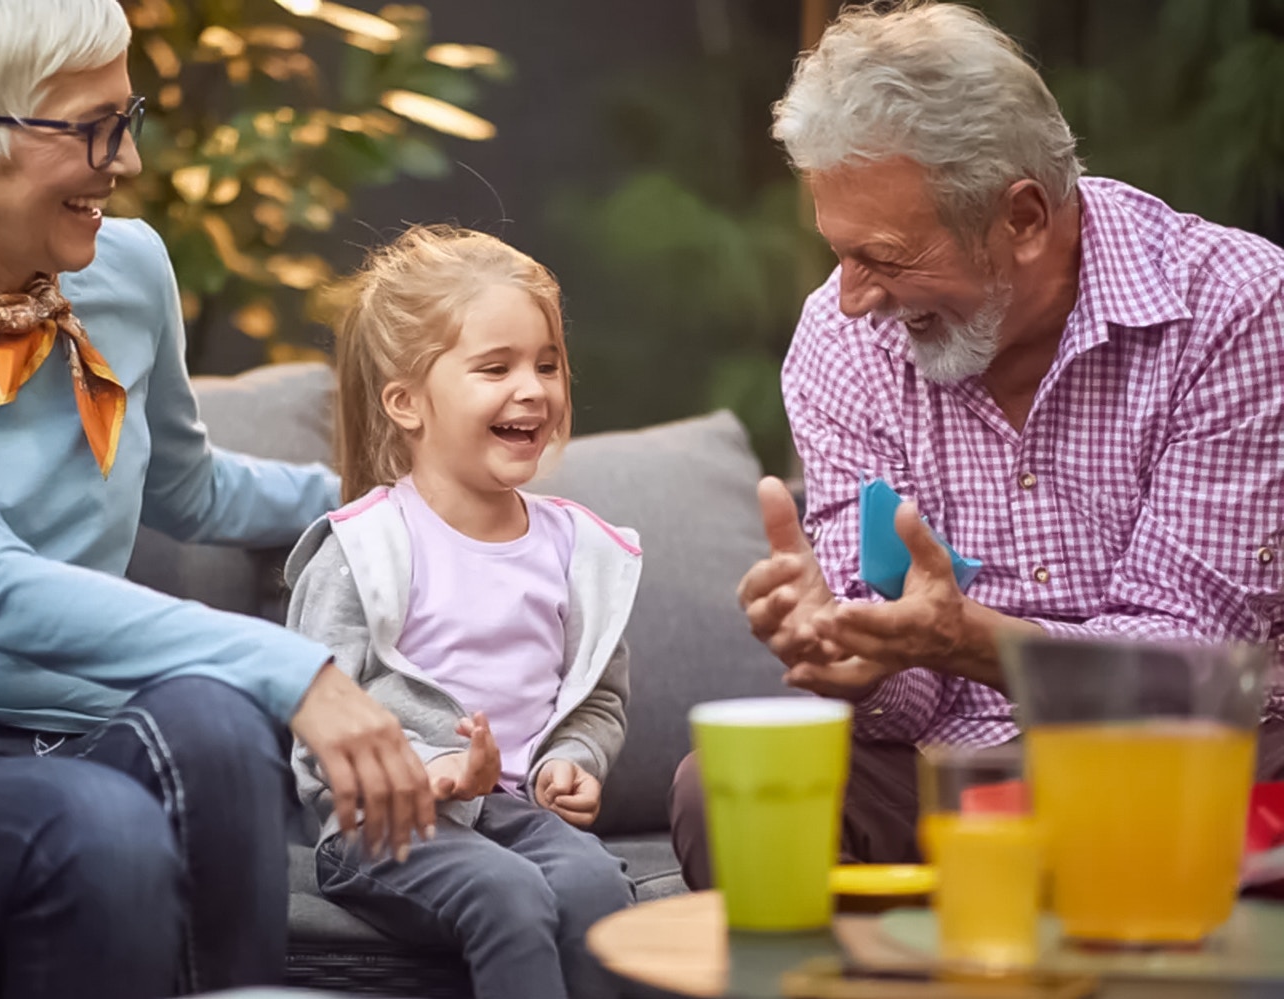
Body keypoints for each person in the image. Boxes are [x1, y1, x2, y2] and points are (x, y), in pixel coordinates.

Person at [0, 2, 435, 996]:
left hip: (79, 743)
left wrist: (401, 499)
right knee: (98, 823)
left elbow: (189, 488)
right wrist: (300, 672)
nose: (130, 160)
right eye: (93, 127)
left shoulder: (126, 268)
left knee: (219, 725)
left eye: (126, 113)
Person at [670, 0, 1284, 887]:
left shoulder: (1236, 307)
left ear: (1024, 218)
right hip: (959, 771)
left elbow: (1191, 668)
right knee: (722, 791)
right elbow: (906, 688)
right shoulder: (841, 346)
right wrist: (859, 656)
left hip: (1190, 761)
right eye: (839, 255)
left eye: (882, 257)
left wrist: (967, 639)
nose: (851, 299)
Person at [285, 225, 641, 999]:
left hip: (518, 813)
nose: (533, 388)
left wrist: (571, 761)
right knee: (506, 895)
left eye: (547, 364)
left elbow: (600, 699)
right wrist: (430, 769)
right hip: (386, 825)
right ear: (407, 401)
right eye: (495, 367)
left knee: (597, 893)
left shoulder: (577, 549)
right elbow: (315, 722)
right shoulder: (360, 548)